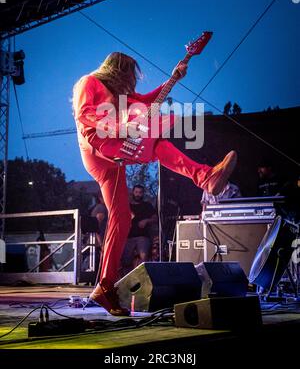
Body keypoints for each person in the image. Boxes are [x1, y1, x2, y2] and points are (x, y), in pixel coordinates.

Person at [72, 51, 237, 315]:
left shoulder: (123, 96)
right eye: (129, 75)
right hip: (97, 148)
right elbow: (85, 116)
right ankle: (204, 176)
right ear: (117, 70)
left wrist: (173, 78)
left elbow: (148, 100)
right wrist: (120, 125)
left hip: (116, 152)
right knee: (155, 137)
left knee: (122, 217)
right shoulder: (89, 82)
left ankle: (104, 287)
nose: (132, 82)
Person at [121, 184, 157, 275]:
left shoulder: (147, 205)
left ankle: (143, 277)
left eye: (140, 192)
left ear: (143, 194)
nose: (138, 194)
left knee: (143, 256)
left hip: (142, 236)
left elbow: (155, 218)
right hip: (128, 237)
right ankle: (126, 280)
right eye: (136, 192)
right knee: (126, 260)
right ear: (133, 192)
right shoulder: (127, 206)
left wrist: (146, 220)